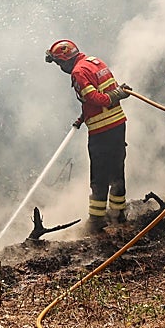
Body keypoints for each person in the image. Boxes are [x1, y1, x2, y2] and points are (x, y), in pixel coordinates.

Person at [45, 40, 130, 232]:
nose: (60, 68)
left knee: (99, 176)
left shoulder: (78, 72)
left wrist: (113, 97)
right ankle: (118, 215)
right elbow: (98, 96)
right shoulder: (94, 62)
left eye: (59, 63)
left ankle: (97, 221)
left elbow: (96, 98)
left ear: (66, 60)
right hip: (117, 124)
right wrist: (83, 117)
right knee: (117, 171)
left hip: (102, 130)